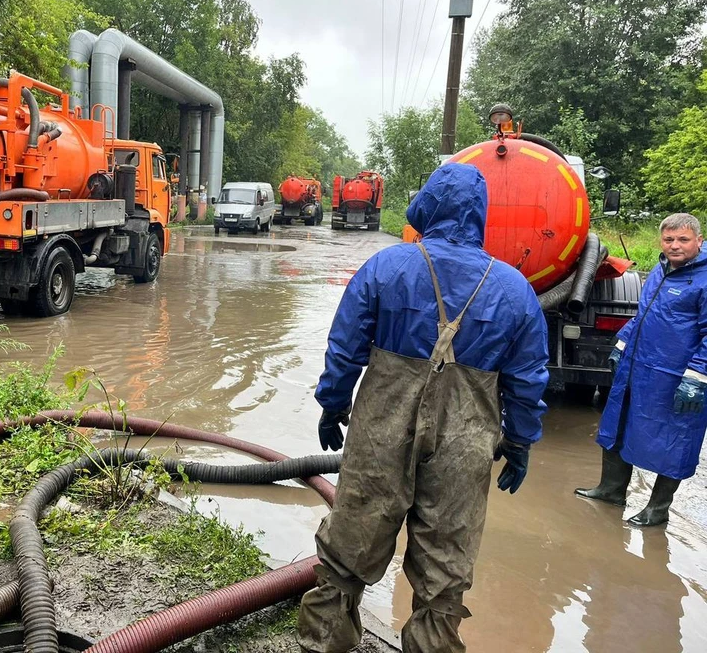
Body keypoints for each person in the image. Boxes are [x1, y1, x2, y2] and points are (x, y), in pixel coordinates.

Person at [297, 162, 550, 653]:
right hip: (467, 439)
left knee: (354, 534)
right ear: (480, 216)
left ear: (429, 206)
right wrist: (519, 441)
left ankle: (324, 641)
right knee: (447, 555)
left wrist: (333, 403)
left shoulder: (386, 267)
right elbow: (527, 380)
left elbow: (345, 346)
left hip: (381, 428)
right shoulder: (515, 290)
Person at [576, 213, 707, 527]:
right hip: (640, 367)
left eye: (683, 240)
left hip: (678, 377)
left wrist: (698, 375)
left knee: (675, 438)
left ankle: (658, 509)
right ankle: (611, 489)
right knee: (617, 424)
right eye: (669, 239)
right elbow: (643, 315)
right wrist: (622, 344)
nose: (675, 246)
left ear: (698, 242)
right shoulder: (661, 271)